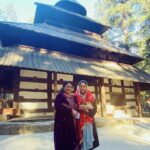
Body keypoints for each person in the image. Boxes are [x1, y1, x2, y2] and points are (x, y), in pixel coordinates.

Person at [54, 81, 80, 150]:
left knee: (73, 141)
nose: (69, 88)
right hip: (63, 124)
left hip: (73, 122)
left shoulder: (74, 97)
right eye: (67, 86)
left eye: (70, 87)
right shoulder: (60, 96)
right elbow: (58, 107)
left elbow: (77, 107)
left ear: (72, 89)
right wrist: (70, 111)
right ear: (63, 87)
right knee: (64, 142)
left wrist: (77, 112)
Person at [75, 80, 99, 150]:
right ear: (79, 87)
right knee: (79, 142)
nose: (82, 88)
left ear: (86, 87)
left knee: (88, 143)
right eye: (81, 86)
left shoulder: (92, 97)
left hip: (88, 123)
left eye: (84, 86)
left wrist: (85, 109)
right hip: (78, 123)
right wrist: (79, 108)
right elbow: (73, 109)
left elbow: (94, 111)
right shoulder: (75, 96)